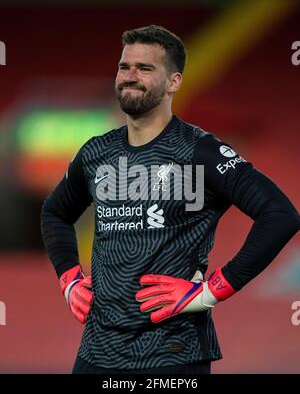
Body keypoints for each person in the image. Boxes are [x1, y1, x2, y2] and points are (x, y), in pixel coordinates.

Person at [41, 25, 300, 375]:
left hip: (175, 353)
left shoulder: (201, 150)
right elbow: (55, 212)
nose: (130, 76)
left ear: (174, 82)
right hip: (96, 352)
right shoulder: (96, 152)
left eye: (145, 68)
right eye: (124, 67)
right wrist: (69, 279)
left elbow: (280, 214)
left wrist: (211, 292)